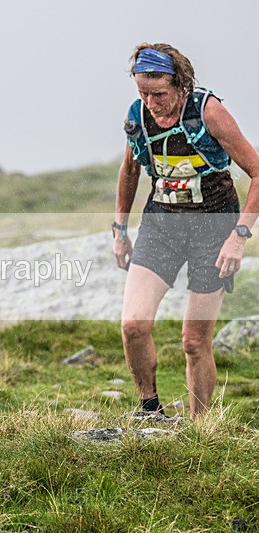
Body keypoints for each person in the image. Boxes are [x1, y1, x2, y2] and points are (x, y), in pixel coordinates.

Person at [113, 43, 259, 419]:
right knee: (133, 325)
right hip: (161, 224)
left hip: (214, 228)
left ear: (180, 84)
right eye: (142, 93)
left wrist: (238, 237)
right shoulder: (138, 116)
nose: (150, 102)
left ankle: (199, 429)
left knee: (194, 342)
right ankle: (149, 410)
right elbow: (130, 171)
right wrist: (120, 229)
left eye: (158, 93)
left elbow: (258, 173)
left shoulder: (209, 111)